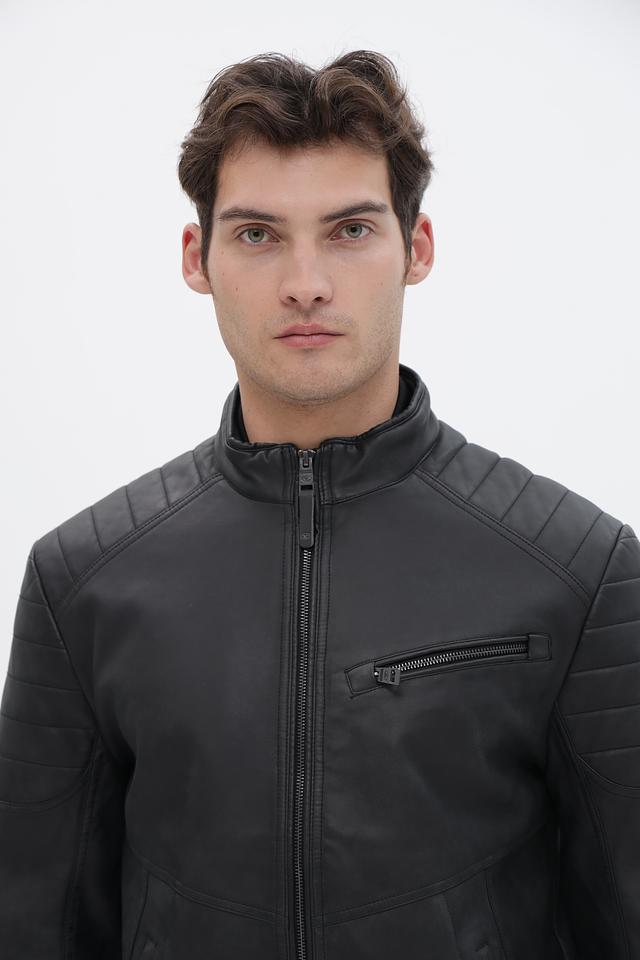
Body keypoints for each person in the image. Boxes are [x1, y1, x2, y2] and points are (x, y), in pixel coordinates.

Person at [1, 48, 637, 960]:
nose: (306, 282)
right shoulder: (81, 584)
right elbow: (34, 929)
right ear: (198, 258)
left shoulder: (580, 573)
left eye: (350, 230)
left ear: (416, 248)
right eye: (259, 234)